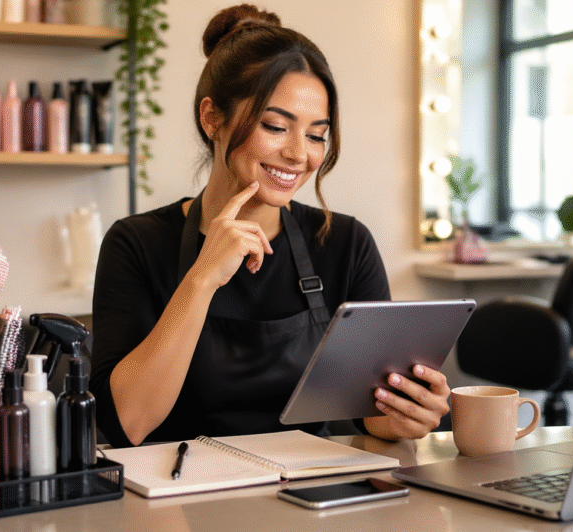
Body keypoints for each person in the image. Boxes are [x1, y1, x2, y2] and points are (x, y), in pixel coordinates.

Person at [89, 3, 451, 448]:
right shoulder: (137, 243)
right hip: (178, 503)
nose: (300, 154)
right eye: (276, 126)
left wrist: (402, 415)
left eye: (317, 135)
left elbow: (367, 413)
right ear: (212, 118)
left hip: (308, 498)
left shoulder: (345, 244)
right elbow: (127, 422)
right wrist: (201, 279)